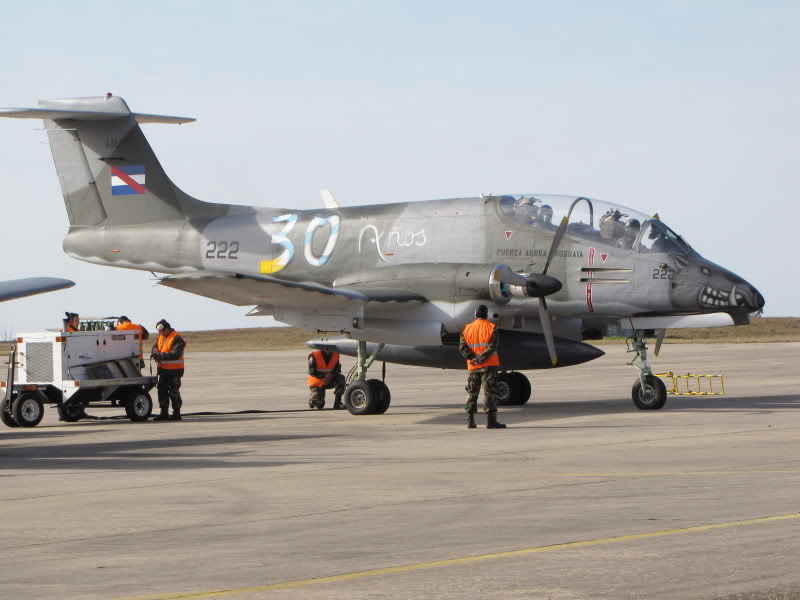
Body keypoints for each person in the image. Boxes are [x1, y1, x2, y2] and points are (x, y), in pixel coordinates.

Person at [459, 305, 506, 429]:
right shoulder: (491, 327)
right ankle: (491, 421)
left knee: (471, 392)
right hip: (489, 366)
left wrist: (473, 359)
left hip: (473, 367)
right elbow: (492, 347)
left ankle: (470, 421)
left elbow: (462, 348)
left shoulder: (467, 329)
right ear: (487, 315)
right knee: (490, 392)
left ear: (475, 315)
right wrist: (480, 359)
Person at [150, 319, 186, 421]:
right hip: (164, 371)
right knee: (161, 391)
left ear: (167, 329)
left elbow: (176, 354)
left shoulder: (177, 338)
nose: (160, 333)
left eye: (161, 331)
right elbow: (155, 347)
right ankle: (164, 413)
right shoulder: (162, 337)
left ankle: (176, 413)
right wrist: (155, 352)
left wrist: (160, 355)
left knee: (173, 392)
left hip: (174, 371)